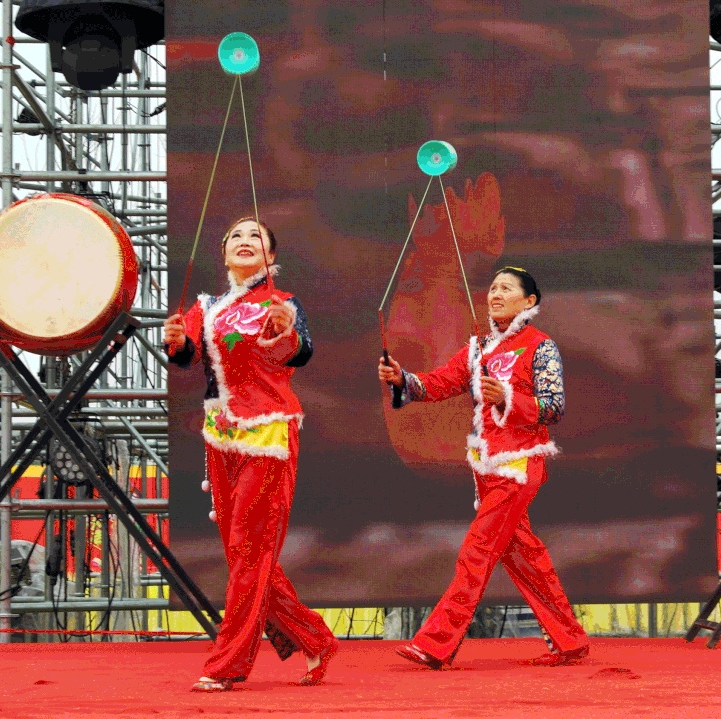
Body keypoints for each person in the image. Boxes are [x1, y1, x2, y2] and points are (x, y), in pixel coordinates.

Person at [378, 266, 589, 669]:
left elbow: (554, 407)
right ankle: (570, 640)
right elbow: (438, 383)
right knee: (526, 557)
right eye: (493, 287)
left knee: (476, 551)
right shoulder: (477, 348)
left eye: (506, 288)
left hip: (519, 463)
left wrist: (506, 397)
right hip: (486, 468)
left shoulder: (540, 346)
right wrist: (402, 378)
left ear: (529, 302)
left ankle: (436, 642)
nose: (496, 294)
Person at [165, 217, 338, 692]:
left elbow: (300, 352)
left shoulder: (283, 303)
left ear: (270, 256)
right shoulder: (207, 306)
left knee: (248, 549)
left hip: (267, 432)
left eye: (255, 236)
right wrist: (176, 343)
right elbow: (187, 357)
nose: (245, 241)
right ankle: (314, 638)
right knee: (245, 552)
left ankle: (227, 663)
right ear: (223, 252)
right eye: (236, 236)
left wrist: (286, 333)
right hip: (220, 437)